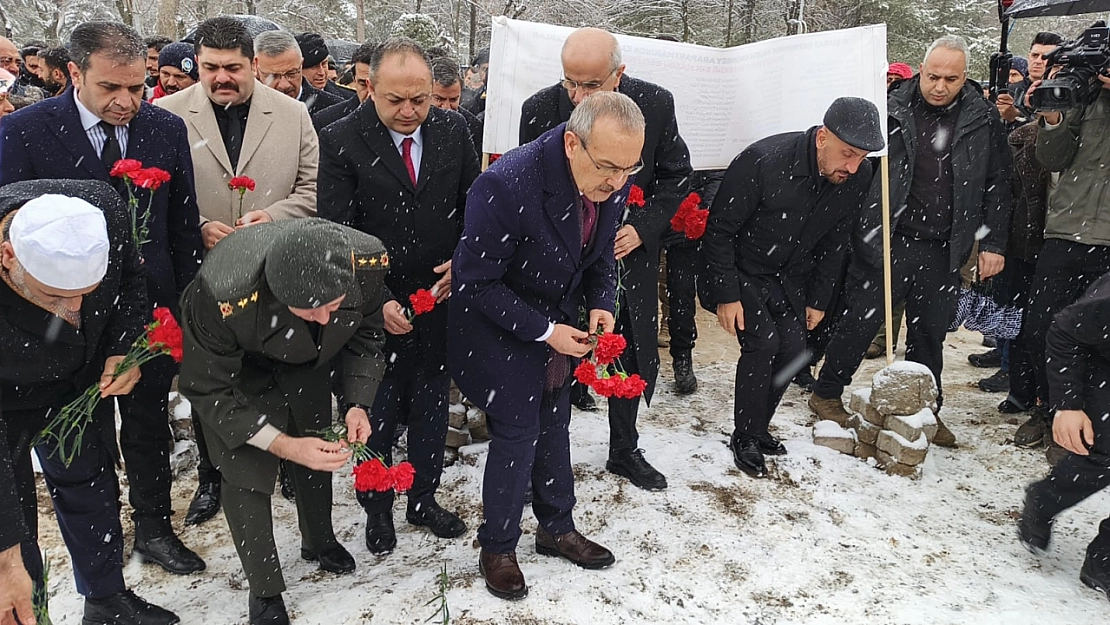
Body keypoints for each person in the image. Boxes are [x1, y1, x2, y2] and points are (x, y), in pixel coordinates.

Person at [0, 20, 206, 576]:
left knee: (147, 426)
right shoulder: (25, 131)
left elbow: (183, 224)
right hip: (62, 323)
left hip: (151, 310)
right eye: (111, 88)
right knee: (81, 444)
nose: (128, 101)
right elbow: (13, 228)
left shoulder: (164, 128)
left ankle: (156, 527)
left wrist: (184, 302)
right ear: (74, 73)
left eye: (138, 87)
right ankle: (99, 550)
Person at [451, 91, 641, 600]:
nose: (618, 181)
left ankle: (556, 528)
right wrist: (544, 330)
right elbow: (475, 282)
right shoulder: (507, 184)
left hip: (557, 321)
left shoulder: (610, 173)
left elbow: (599, 255)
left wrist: (602, 302)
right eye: (609, 168)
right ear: (573, 144)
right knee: (517, 434)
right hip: (498, 324)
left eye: (629, 169)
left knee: (556, 422)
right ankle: (498, 545)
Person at [179, 219, 388, 625]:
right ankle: (265, 588)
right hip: (238, 371)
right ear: (278, 294)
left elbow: (366, 332)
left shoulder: (366, 259)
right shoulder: (222, 291)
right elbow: (209, 388)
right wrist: (281, 444)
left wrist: (356, 404)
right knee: (245, 472)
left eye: (334, 304)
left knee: (316, 444)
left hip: (306, 356)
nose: (328, 318)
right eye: (313, 309)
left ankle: (319, 540)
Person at [807, 36, 1012, 449]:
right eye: (932, 76)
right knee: (861, 320)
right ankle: (827, 393)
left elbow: (998, 183)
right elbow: (858, 166)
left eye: (951, 79)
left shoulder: (982, 117)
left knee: (929, 332)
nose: (939, 86)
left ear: (964, 77)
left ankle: (924, 410)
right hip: (888, 237)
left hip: (945, 245)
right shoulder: (889, 108)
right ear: (921, 69)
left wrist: (993, 243)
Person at [156, 15, 319, 526]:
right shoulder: (164, 114)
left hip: (275, 272)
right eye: (209, 67)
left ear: (253, 64)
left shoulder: (292, 115)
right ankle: (213, 474)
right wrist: (199, 225)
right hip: (203, 278)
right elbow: (157, 197)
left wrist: (270, 217)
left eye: (232, 67)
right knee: (211, 380)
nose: (220, 77)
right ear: (197, 65)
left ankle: (287, 463)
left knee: (282, 371)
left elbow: (313, 191)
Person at [319, 36, 478, 556]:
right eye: (395, 100)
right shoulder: (341, 138)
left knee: (432, 401)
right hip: (371, 303)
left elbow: (473, 207)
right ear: (370, 87)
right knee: (376, 407)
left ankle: (423, 497)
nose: (409, 112)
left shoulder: (455, 130)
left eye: (421, 99)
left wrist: (463, 259)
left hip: (439, 295)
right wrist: (377, 298)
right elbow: (338, 231)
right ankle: (377, 506)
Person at [520, 27, 692, 491]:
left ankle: (624, 447)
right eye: (569, 83)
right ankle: (547, 450)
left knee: (628, 348)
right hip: (558, 258)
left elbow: (677, 176)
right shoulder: (539, 110)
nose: (577, 96)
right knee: (555, 350)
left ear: (620, 73)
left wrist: (642, 227)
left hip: (625, 251)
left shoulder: (654, 105)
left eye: (591, 85)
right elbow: (528, 186)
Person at [1, 181, 180, 624]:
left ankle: (105, 597)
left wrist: (121, 348)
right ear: (7, 257)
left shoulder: (101, 208)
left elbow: (131, 283)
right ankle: (26, 610)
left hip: (77, 386)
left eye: (86, 290)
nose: (74, 310)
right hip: (7, 398)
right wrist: (5, 561)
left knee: (90, 483)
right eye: (56, 295)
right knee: (14, 512)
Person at [704, 97, 884, 477]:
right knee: (764, 344)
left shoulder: (858, 175)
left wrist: (819, 298)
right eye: (847, 154)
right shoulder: (763, 161)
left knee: (795, 351)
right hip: (743, 269)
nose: (852, 167)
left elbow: (837, 239)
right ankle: (745, 436)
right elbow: (719, 231)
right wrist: (727, 295)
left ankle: (758, 425)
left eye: (862, 157)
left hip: (789, 276)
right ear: (822, 138)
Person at [1010, 44, 1110, 461]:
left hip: (1107, 240)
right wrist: (1052, 118)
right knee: (1041, 326)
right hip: (1064, 231)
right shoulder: (1077, 94)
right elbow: (1051, 157)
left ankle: (1083, 422)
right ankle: (1047, 408)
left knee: (1097, 338)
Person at [1019, 272, 1110, 602]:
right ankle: (1045, 499)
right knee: (1103, 453)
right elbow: (1064, 331)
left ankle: (1104, 561)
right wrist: (1068, 405)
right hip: (1098, 361)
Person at [253, 31, 342, 116]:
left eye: (291, 73)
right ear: (255, 68)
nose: (284, 85)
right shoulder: (245, 110)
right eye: (273, 76)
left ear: (301, 64)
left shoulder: (335, 111)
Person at [312, 41, 376, 132]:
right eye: (363, 84)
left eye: (376, 84)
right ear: (354, 79)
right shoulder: (326, 121)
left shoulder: (401, 119)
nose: (370, 93)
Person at [429, 55, 483, 153]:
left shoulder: (473, 128)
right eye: (439, 99)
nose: (446, 107)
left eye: (453, 99)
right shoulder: (410, 122)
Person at [296, 32, 357, 101]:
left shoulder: (349, 98)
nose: (321, 72)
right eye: (314, 67)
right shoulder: (287, 98)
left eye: (324, 64)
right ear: (299, 68)